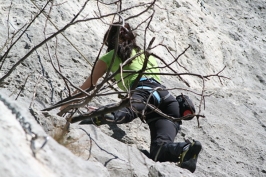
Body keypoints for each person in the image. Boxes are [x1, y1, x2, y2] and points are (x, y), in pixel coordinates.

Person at [60, 22, 202, 173]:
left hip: (144, 93)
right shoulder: (145, 55)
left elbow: (87, 88)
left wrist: (64, 108)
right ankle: (186, 149)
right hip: (168, 100)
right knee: (159, 151)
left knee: (124, 112)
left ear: (109, 42)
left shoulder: (109, 57)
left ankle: (101, 115)